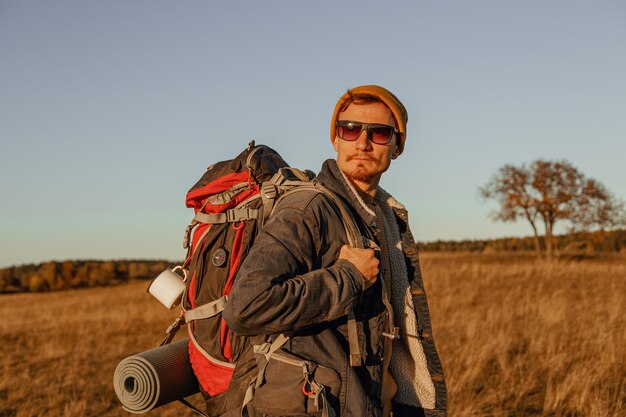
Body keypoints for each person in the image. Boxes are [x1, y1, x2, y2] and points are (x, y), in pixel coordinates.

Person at [223, 85, 447, 417]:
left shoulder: (385, 217)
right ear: (335, 139)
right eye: (351, 129)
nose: (363, 142)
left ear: (397, 146)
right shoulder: (308, 209)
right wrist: (348, 277)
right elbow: (245, 306)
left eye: (380, 133)